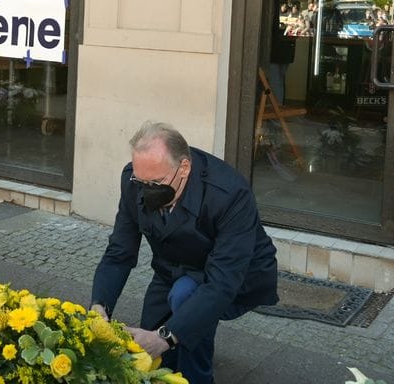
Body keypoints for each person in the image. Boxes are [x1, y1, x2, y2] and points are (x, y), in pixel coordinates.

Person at [91, 122, 279, 384]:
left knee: (183, 305)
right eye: (141, 181)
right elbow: (119, 252)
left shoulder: (229, 194)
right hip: (174, 267)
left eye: (156, 182)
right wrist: (99, 306)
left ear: (184, 168)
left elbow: (222, 284)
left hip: (235, 275)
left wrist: (165, 337)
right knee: (150, 357)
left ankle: (199, 377)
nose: (146, 190)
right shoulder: (135, 179)